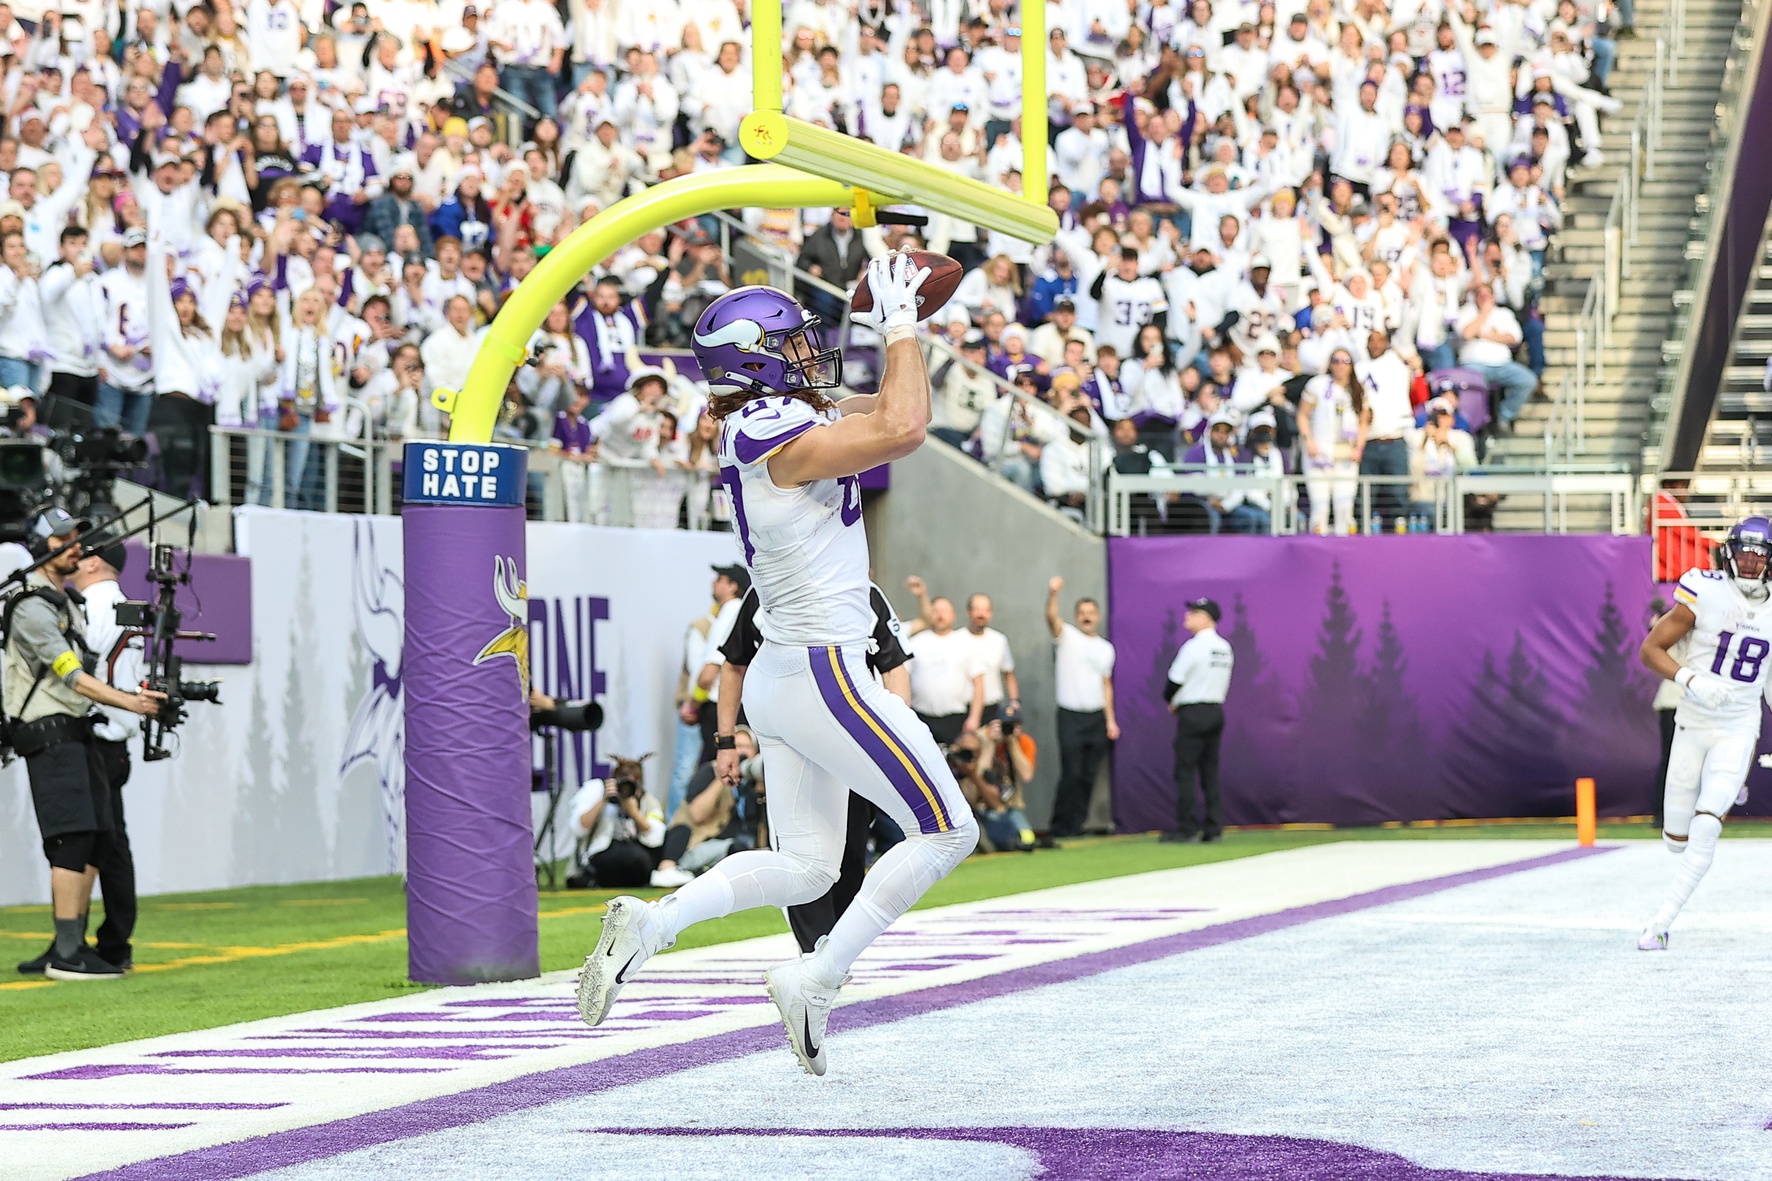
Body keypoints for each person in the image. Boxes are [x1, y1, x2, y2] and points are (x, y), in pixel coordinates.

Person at [577, 256, 977, 1078]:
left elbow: (899, 407)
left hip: (788, 673)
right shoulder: (767, 432)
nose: (809, 356)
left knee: (809, 865)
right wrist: (895, 323)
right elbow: (900, 428)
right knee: (948, 828)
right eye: (791, 345)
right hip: (825, 670)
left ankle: (650, 926)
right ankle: (817, 976)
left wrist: (910, 328)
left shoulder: (766, 417)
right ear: (754, 359)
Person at [712, 576, 916, 951]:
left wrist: (895, 736)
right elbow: (734, 662)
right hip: (789, 747)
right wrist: (726, 741)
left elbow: (894, 664)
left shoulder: (862, 592)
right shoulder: (765, 592)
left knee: (851, 854)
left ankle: (834, 953)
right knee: (799, 855)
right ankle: (814, 955)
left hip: (850, 744)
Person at [7, 511, 164, 980]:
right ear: (42, 545)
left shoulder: (63, 600)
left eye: (78, 539)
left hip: (74, 730)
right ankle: (69, 952)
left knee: (95, 834)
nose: (76, 547)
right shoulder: (32, 605)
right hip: (50, 729)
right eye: (64, 539)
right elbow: (71, 675)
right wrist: (131, 703)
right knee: (71, 837)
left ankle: (70, 946)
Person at [1635, 519, 1772, 951]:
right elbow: (1649, 650)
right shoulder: (1705, 591)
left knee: (1708, 823)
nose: (1750, 563)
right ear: (1728, 554)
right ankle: (1677, 849)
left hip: (1738, 726)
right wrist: (1691, 679)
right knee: (1677, 839)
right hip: (1692, 723)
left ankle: (1660, 923)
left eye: (1759, 555)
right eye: (1744, 554)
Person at [1045, 574, 1118, 839]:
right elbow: (1052, 619)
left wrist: (1110, 721)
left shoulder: (1106, 648)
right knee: (1072, 773)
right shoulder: (1068, 638)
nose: (1087, 617)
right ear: (1076, 616)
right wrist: (1053, 594)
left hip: (1096, 717)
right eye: (1082, 613)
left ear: (1097, 616)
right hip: (1070, 717)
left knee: (1088, 775)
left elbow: (1106, 685)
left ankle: (1077, 826)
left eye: (1091, 613)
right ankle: (1059, 827)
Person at [1162, 597, 1234, 844]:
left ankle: (1187, 828)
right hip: (1215, 711)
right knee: (1210, 772)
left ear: (1206, 617)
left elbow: (1174, 681)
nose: (1187, 616)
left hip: (1193, 712)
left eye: (1193, 612)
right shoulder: (1224, 647)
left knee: (1185, 771)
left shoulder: (1193, 647)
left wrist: (1170, 700)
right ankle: (1214, 829)